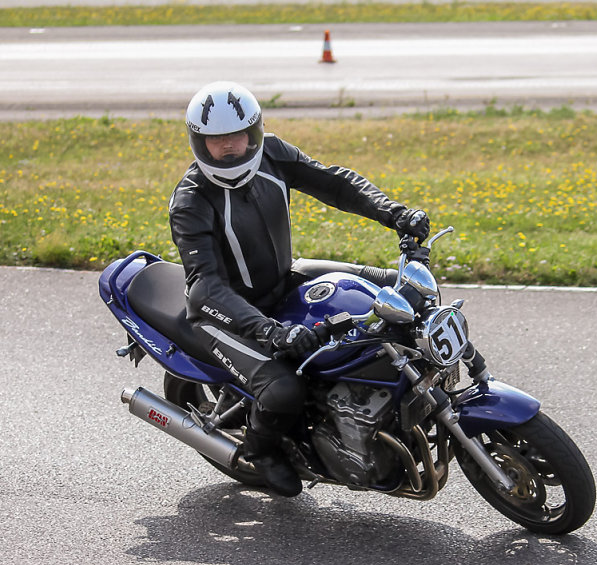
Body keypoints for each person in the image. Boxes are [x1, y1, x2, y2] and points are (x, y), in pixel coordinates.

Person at [168, 81, 430, 496]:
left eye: (238, 135)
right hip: (226, 314)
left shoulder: (272, 152)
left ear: (255, 132)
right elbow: (206, 288)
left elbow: (336, 183)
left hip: (282, 277)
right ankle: (261, 450)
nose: (230, 147)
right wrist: (272, 331)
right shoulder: (191, 201)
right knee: (283, 389)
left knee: (391, 287)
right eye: (217, 140)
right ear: (199, 142)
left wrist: (394, 213)